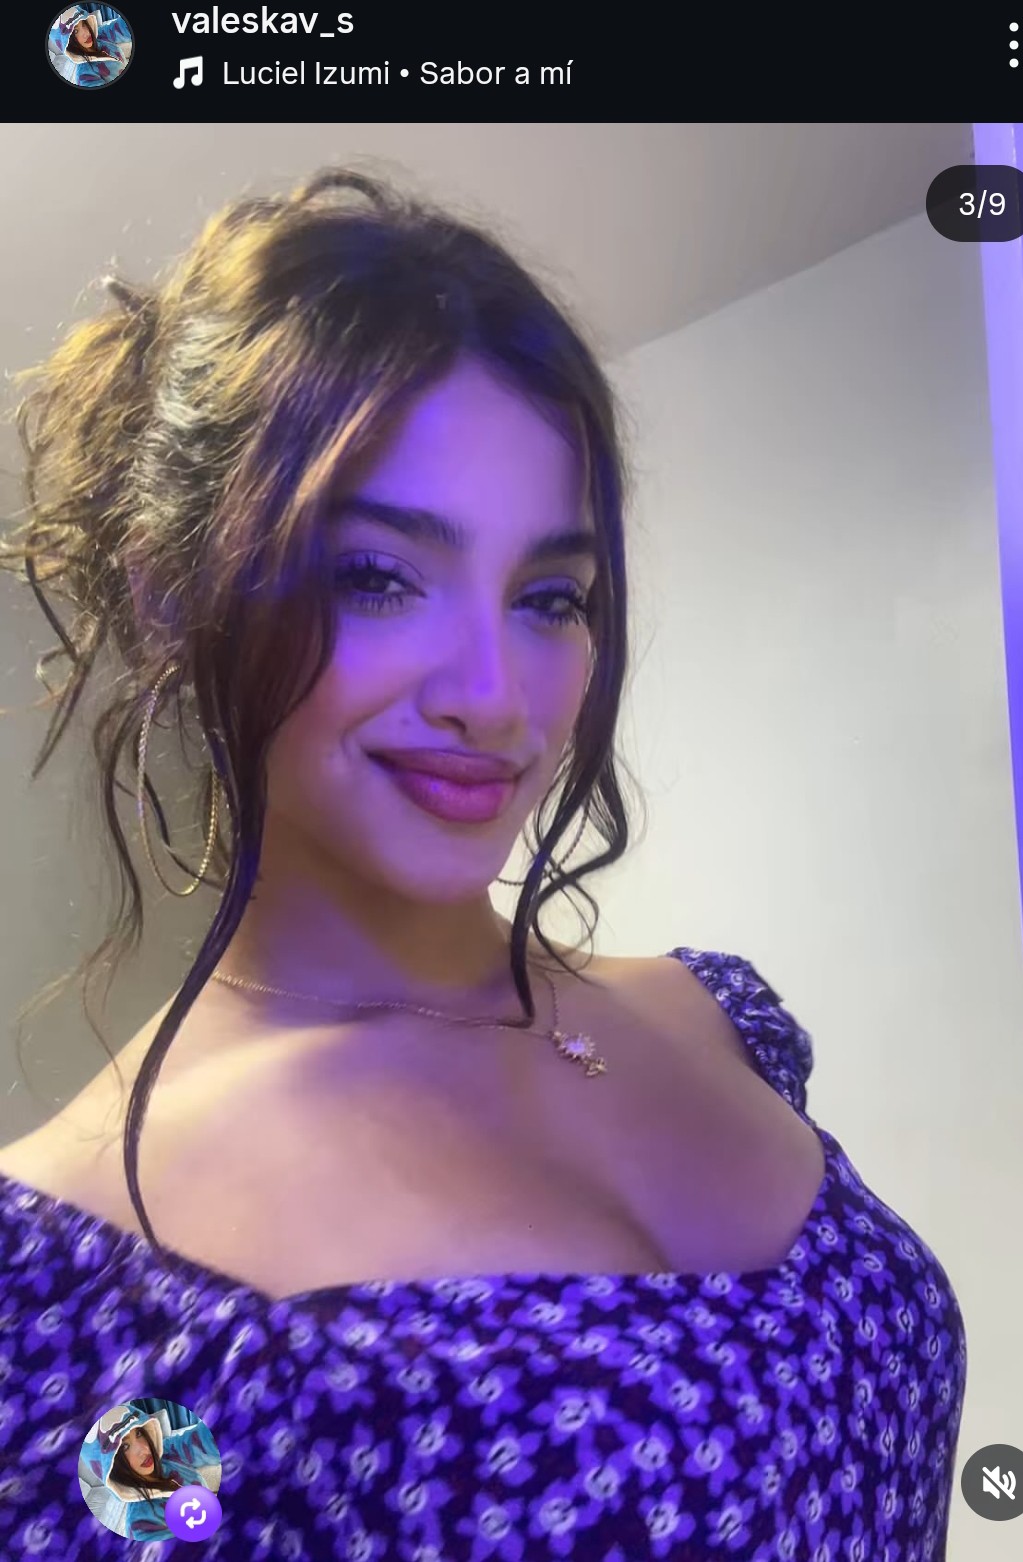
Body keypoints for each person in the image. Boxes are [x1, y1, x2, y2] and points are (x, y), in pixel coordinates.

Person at [0, 167, 966, 1559]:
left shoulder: (727, 1017)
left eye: (550, 596)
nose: (496, 698)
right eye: (379, 576)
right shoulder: (77, 1284)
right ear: (172, 595)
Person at [78, 1401, 221, 1541]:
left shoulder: (168, 1453)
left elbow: (206, 1440)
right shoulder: (142, 1524)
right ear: (111, 1466)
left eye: (139, 1433)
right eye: (125, 1447)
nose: (144, 1450)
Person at [51, 6, 130, 88]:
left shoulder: (99, 35)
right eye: (76, 31)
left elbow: (122, 27)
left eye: (84, 24)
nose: (86, 33)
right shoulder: (84, 75)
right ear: (67, 41)